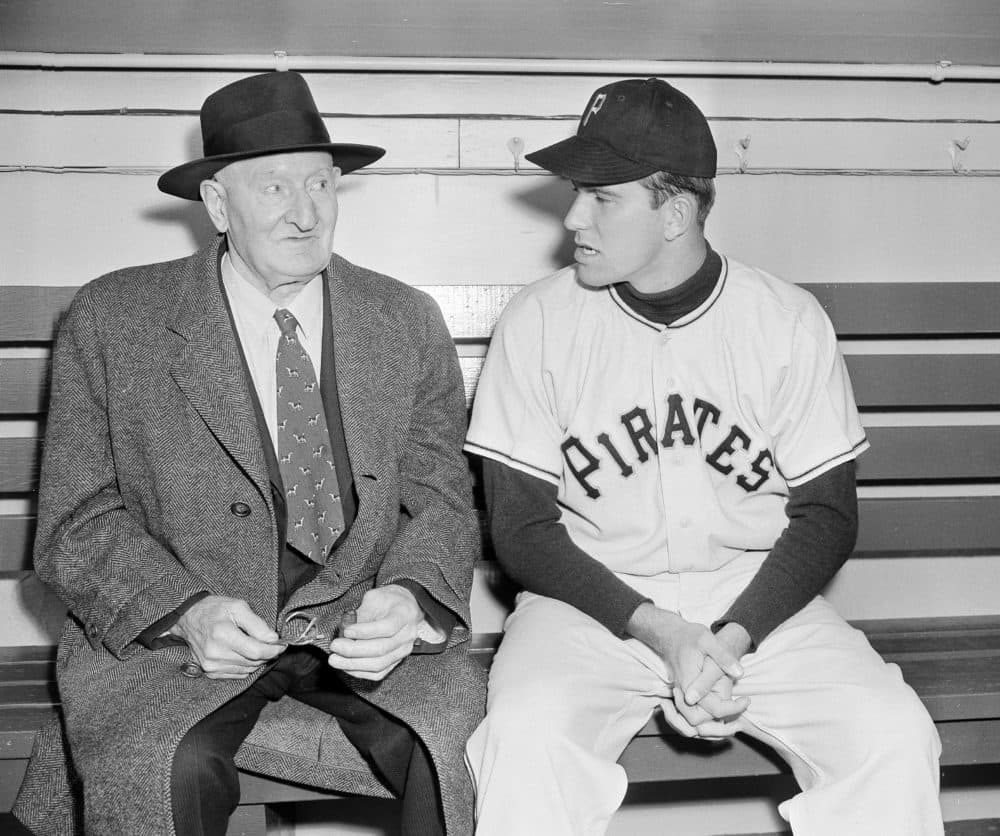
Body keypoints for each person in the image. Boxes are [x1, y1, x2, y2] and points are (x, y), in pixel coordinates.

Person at [463, 77, 943, 836]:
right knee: (525, 737)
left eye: (602, 197)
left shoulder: (784, 320)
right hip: (586, 603)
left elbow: (826, 516)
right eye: (574, 193)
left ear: (676, 211)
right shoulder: (539, 321)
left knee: (891, 736)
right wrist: (662, 631)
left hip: (757, 603)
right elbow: (523, 532)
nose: (574, 217)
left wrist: (728, 637)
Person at [13, 70, 484, 836]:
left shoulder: (405, 319)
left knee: (450, 754)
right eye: (273, 188)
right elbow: (76, 520)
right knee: (168, 765)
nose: (306, 214)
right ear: (217, 203)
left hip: (359, 634)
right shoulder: (113, 319)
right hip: (179, 645)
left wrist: (411, 598)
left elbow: (440, 500)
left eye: (322, 185)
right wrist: (183, 611)